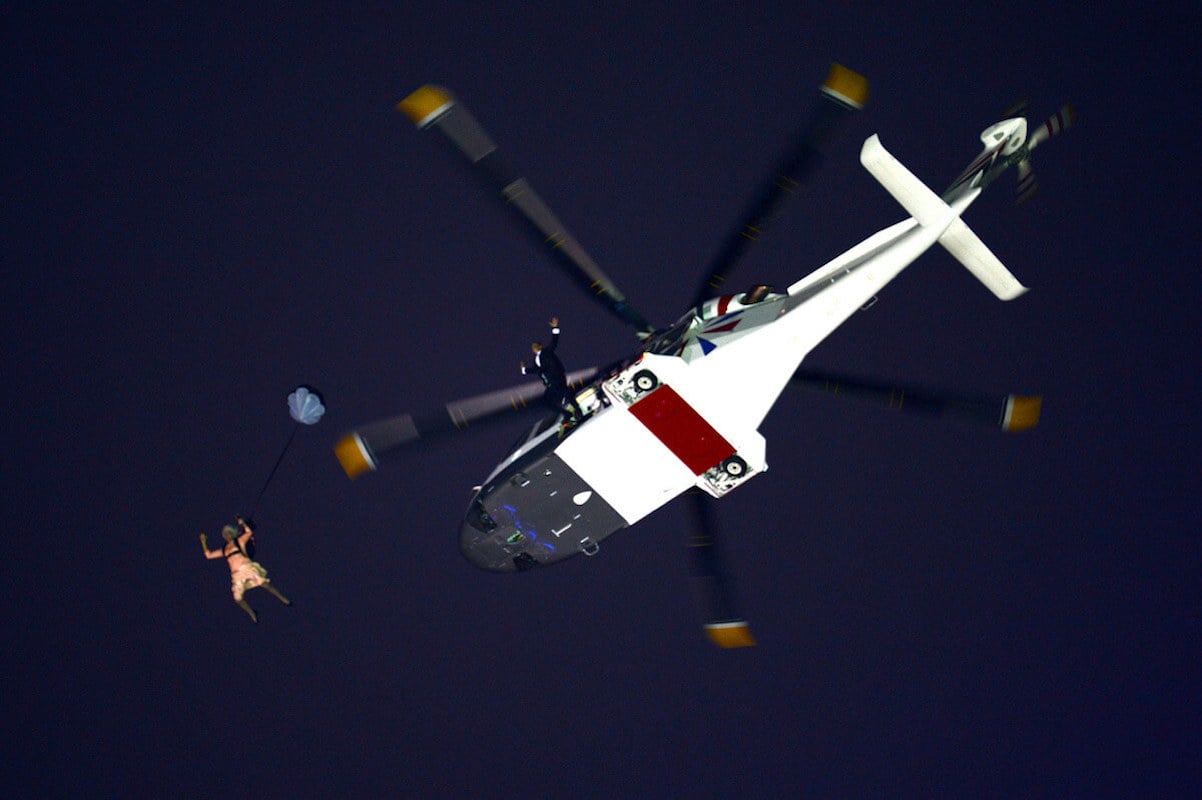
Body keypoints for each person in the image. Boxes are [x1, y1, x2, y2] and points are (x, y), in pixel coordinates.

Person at [200, 515, 290, 623]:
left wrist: (241, 522)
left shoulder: (239, 541)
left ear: (232, 534)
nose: (226, 535)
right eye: (225, 534)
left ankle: (282, 598)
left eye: (228, 533)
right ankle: (252, 612)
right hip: (236, 574)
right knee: (237, 598)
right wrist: (203, 542)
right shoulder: (224, 549)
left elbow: (249, 532)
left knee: (263, 583)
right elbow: (209, 555)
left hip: (246, 567)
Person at [520, 316, 585, 422]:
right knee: (548, 402)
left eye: (534, 346)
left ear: (538, 347)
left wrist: (555, 328)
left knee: (565, 394)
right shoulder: (536, 360)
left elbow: (554, 342)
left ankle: (576, 412)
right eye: (533, 347)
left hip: (557, 378)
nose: (533, 348)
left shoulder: (547, 352)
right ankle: (568, 413)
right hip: (551, 383)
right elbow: (537, 370)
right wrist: (524, 370)